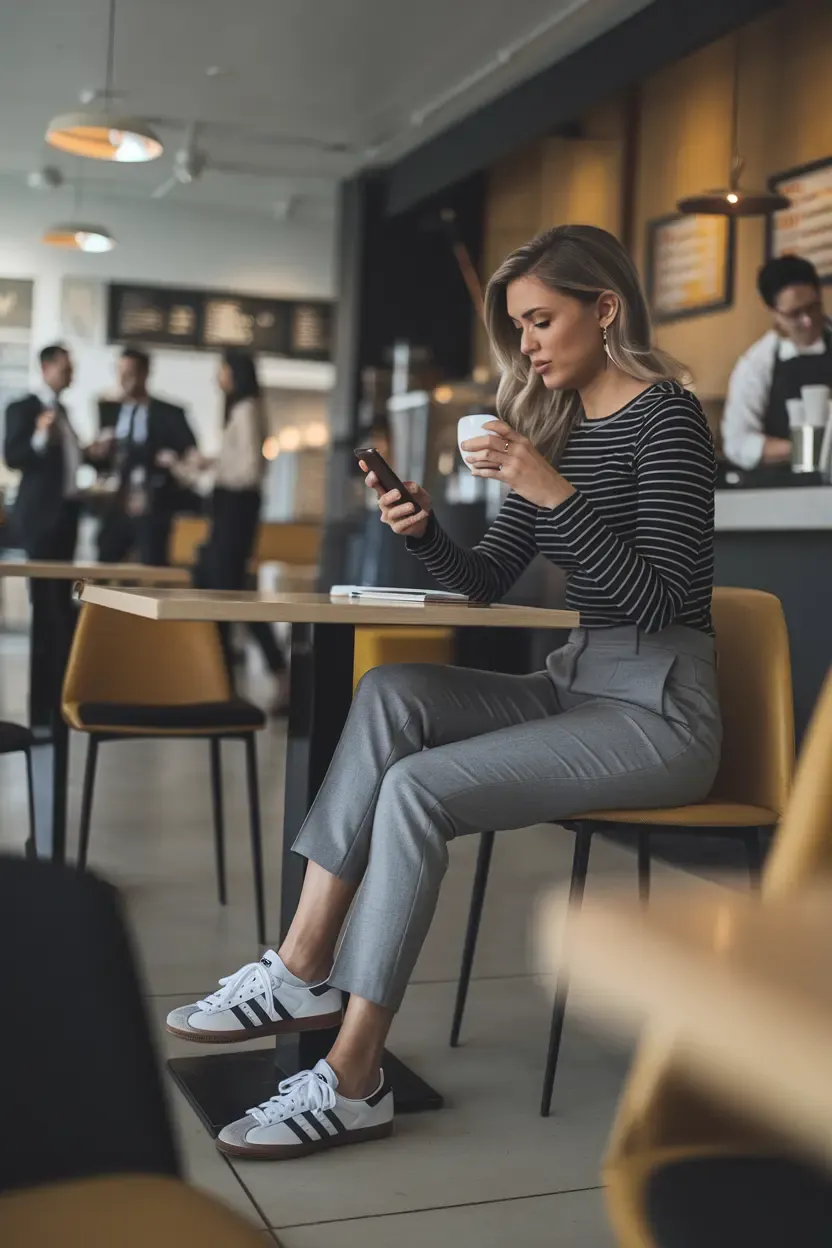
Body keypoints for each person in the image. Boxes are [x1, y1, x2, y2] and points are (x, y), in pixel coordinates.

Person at [166, 224, 721, 1162]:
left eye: (542, 321)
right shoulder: (555, 427)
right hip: (577, 680)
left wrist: (550, 492)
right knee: (391, 691)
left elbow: (660, 596)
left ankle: (354, 1078)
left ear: (607, 308)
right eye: (520, 328)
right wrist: (422, 530)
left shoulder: (669, 418)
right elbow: (486, 579)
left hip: (662, 710)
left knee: (419, 788)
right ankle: (301, 969)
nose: (530, 345)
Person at [173, 349, 287, 702]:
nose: (217, 378)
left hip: (236, 509)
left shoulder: (247, 409)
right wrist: (209, 464)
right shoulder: (241, 409)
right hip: (230, 508)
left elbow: (250, 470)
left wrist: (213, 468)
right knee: (224, 587)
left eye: (221, 371)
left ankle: (231, 678)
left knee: (228, 592)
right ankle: (230, 675)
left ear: (235, 373)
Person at [722, 255, 832, 470]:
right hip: (782, 489)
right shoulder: (756, 363)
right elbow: (737, 442)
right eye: (794, 314)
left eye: (812, 308)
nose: (807, 321)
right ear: (775, 313)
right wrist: (807, 447)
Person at [97, 347, 197, 565]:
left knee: (153, 564)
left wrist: (172, 462)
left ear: (144, 374)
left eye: (129, 373)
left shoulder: (170, 413)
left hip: (155, 507)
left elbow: (189, 454)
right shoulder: (108, 410)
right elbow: (101, 459)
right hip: (116, 504)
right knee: (105, 560)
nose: (124, 379)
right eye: (120, 372)